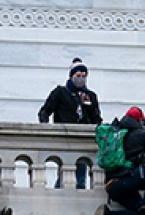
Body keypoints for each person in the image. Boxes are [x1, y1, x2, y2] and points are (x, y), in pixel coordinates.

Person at [39, 59, 103, 189]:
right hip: (65, 136)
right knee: (65, 172)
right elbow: (45, 110)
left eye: (84, 76)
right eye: (78, 76)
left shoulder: (90, 96)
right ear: (71, 76)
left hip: (83, 139)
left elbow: (96, 118)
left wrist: (88, 106)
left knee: (81, 175)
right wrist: (45, 125)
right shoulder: (61, 92)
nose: (81, 79)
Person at [95, 108, 145, 215]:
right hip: (127, 180)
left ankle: (108, 214)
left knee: (140, 212)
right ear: (139, 120)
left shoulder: (115, 133)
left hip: (112, 186)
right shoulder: (141, 133)